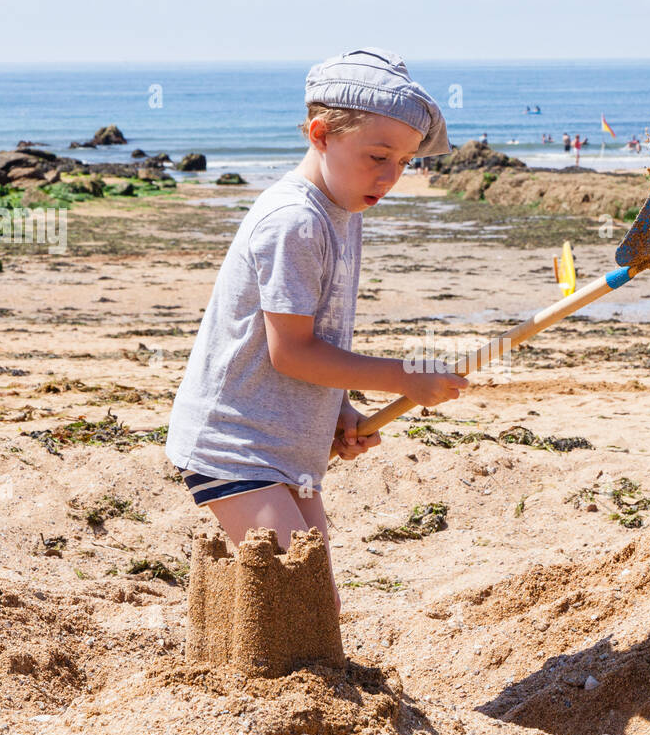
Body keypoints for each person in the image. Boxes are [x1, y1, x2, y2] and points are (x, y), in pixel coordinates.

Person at [164, 48, 467, 616]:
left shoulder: (343, 211)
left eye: (403, 162)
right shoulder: (295, 221)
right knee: (302, 600)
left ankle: (238, 655)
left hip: (287, 445)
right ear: (321, 133)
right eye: (377, 156)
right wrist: (404, 377)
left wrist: (341, 410)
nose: (390, 177)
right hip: (235, 442)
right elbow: (292, 352)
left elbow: (316, 344)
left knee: (311, 590)